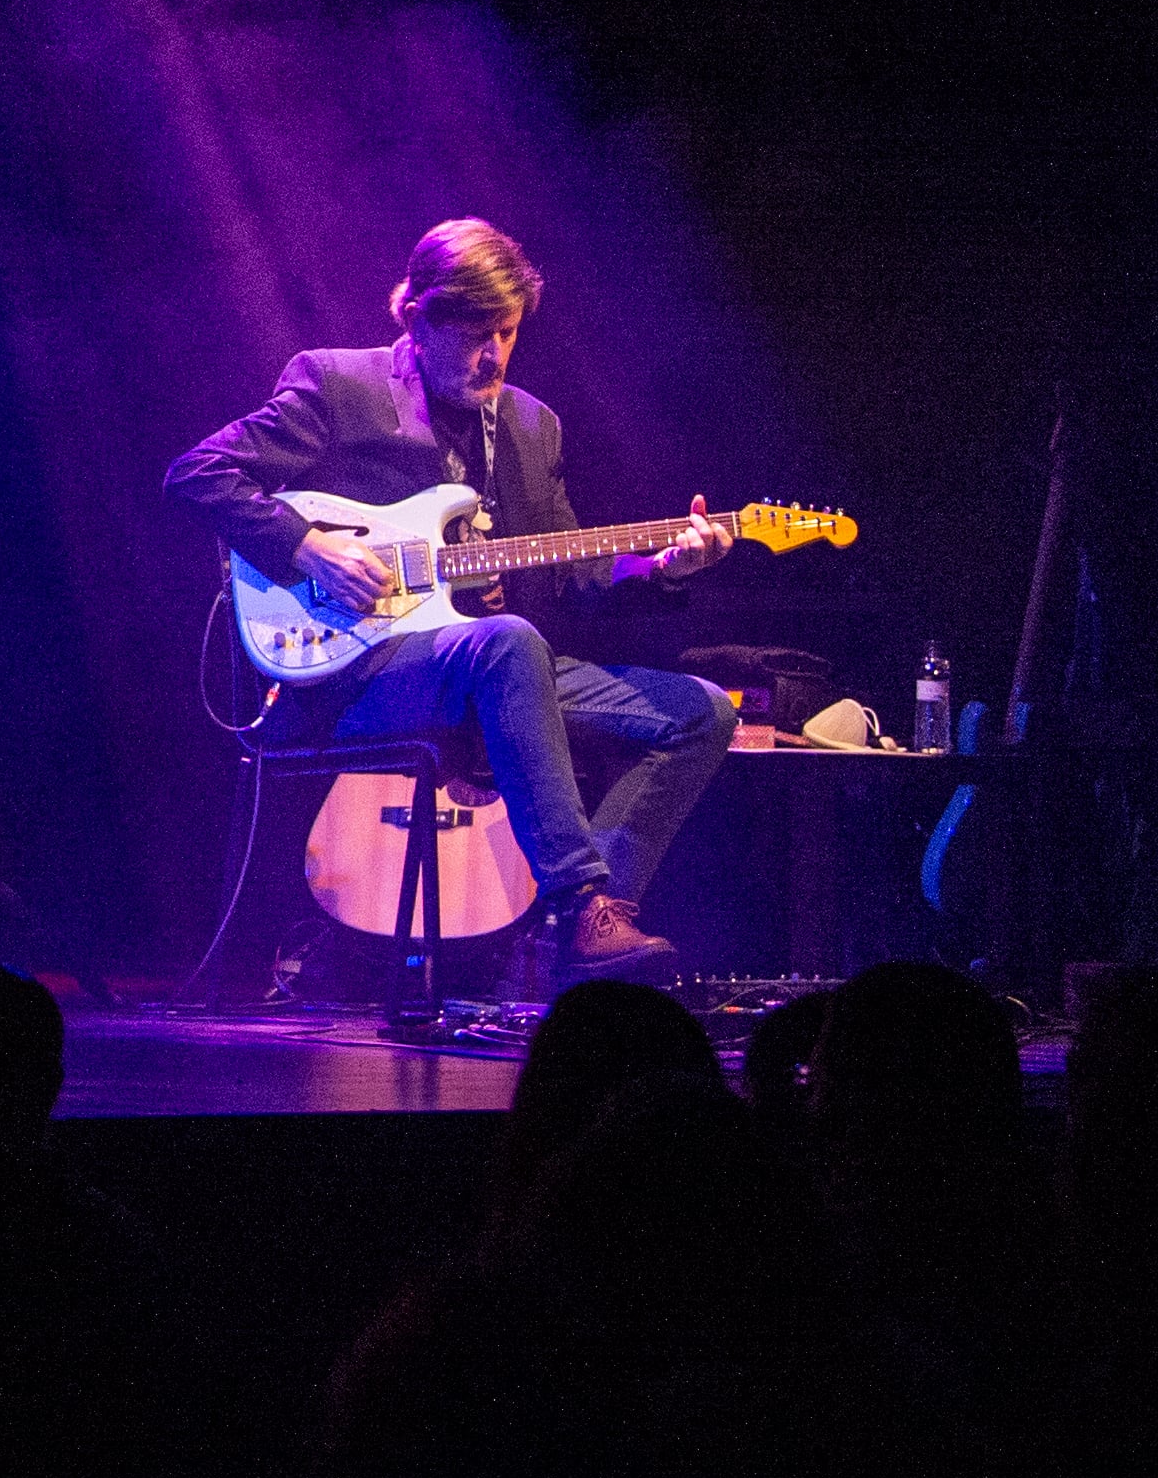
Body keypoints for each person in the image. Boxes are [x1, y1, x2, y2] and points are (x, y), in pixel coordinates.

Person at [166, 216, 736, 983]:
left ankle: (585, 924)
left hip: (494, 668)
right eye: (476, 333)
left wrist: (660, 568)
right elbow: (198, 473)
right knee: (506, 641)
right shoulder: (339, 386)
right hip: (348, 676)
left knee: (703, 712)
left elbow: (572, 570)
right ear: (418, 316)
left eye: (507, 333)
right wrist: (305, 545)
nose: (494, 354)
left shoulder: (533, 425)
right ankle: (579, 903)